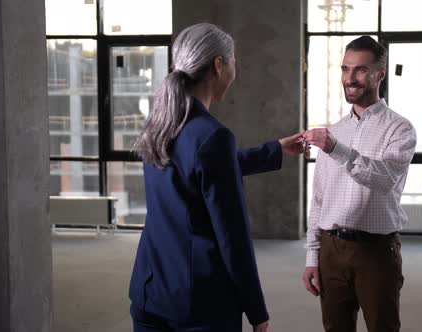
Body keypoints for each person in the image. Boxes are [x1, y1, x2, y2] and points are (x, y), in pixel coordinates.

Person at [129, 23, 304, 332]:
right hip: (198, 303)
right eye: (234, 60)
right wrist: (256, 310)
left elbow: (198, 168)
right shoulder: (213, 136)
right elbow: (232, 237)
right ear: (219, 65)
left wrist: (274, 150)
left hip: (150, 289)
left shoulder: (159, 124)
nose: (235, 69)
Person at [301, 36, 417, 332]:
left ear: (380, 73)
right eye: (345, 69)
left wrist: (335, 149)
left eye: (360, 70)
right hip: (331, 250)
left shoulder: (399, 129)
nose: (349, 79)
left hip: (376, 251)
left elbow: (383, 179)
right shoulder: (336, 131)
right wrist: (312, 256)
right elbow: (319, 199)